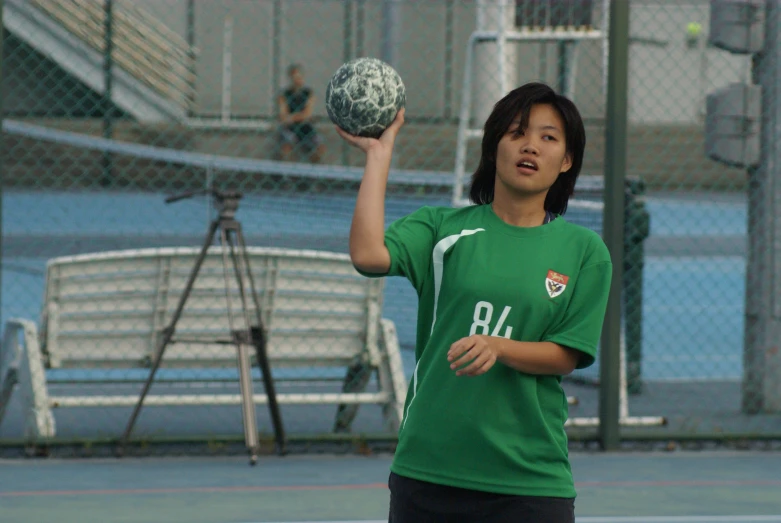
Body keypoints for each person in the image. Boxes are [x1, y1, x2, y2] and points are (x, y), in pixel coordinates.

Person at [336, 82, 613, 522]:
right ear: (493, 148)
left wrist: (498, 347)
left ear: (566, 161)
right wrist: (379, 155)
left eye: (548, 137)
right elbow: (368, 255)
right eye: (516, 132)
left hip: (528, 479)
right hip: (430, 470)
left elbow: (565, 354)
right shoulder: (442, 229)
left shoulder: (584, 252)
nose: (530, 146)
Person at [277, 64, 325, 163]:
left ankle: (314, 171)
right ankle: (287, 173)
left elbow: (308, 114)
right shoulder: (284, 94)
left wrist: (292, 117)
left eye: (299, 77)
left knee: (319, 145)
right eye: (294, 77)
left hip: (305, 126)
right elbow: (283, 117)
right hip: (290, 127)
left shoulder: (308, 93)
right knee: (286, 145)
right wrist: (300, 116)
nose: (297, 80)